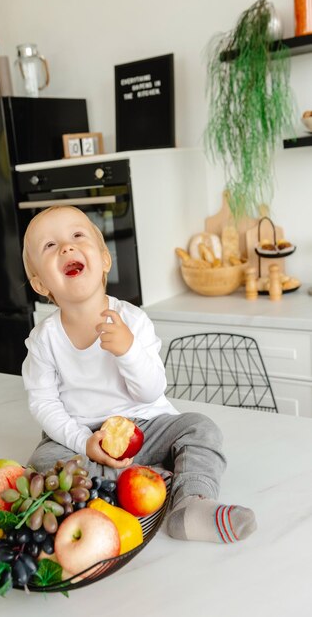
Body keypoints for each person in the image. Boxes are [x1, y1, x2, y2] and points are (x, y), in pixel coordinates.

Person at [21, 205, 256, 544]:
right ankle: (153, 482)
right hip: (84, 435)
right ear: (41, 283)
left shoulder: (133, 321)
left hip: (148, 425)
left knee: (200, 428)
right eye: (50, 246)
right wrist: (82, 442)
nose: (67, 248)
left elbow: (151, 391)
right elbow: (44, 404)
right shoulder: (44, 340)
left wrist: (128, 351)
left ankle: (190, 506)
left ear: (104, 259)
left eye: (76, 236)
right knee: (43, 461)